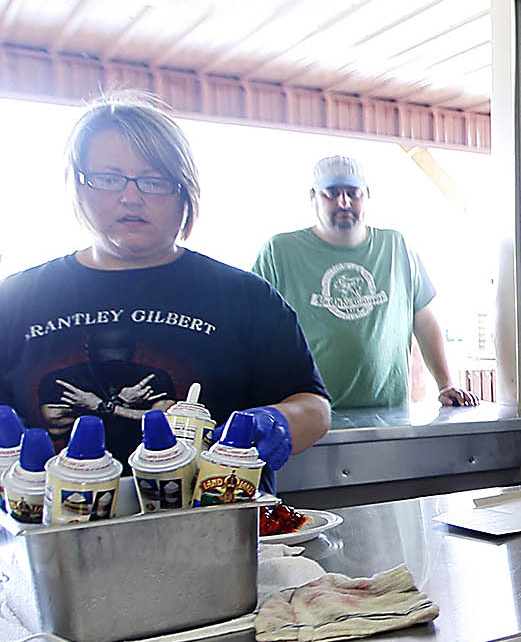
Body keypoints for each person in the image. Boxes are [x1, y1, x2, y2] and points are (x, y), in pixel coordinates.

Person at [0, 93, 330, 484]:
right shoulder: (14, 301)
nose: (131, 196)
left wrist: (278, 422)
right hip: (53, 532)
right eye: (108, 178)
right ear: (79, 184)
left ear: (184, 192)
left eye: (154, 181)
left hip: (216, 527)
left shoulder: (245, 296)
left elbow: (313, 406)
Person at [252, 156, 479, 409]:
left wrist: (445, 383)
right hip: (305, 416)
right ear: (313, 196)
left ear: (366, 195)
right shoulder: (279, 252)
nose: (344, 202)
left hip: (388, 413)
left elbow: (422, 317)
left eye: (353, 192)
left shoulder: (396, 247)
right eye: (332, 193)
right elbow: (252, 325)